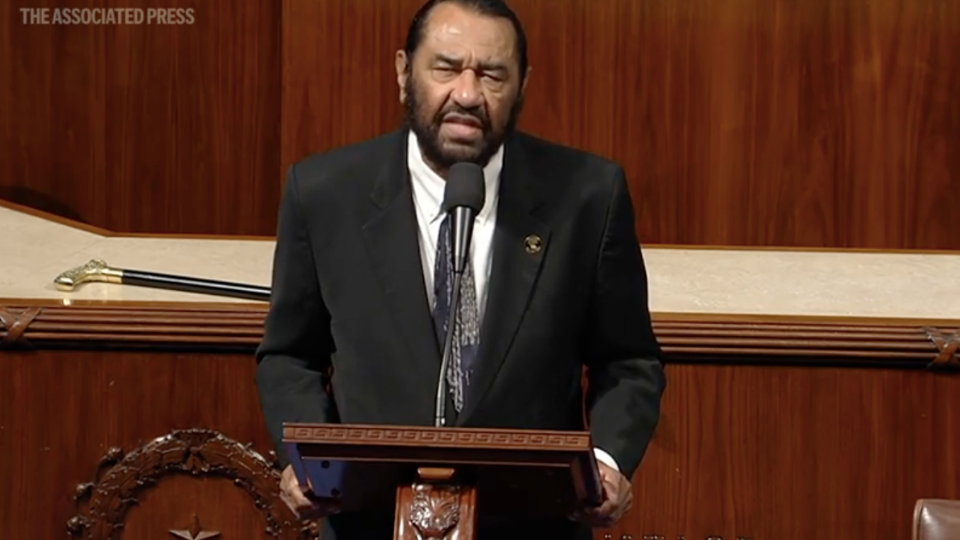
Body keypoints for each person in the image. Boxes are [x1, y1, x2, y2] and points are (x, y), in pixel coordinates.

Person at [255, 0, 666, 538]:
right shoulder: (325, 194)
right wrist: (311, 460)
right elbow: (289, 355)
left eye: (492, 74)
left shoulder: (588, 195)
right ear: (404, 72)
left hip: (535, 526)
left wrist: (607, 463)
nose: (468, 94)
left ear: (522, 85)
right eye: (446, 68)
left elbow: (628, 360)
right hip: (369, 523)